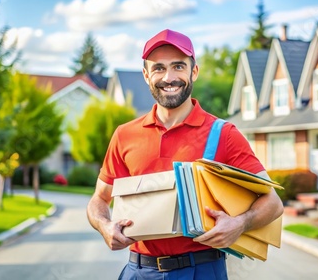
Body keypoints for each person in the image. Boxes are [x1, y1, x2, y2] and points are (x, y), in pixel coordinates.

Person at [87, 29, 284, 280]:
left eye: (178, 66)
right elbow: (99, 199)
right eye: (158, 68)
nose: (169, 77)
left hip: (201, 270)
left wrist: (240, 223)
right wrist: (105, 226)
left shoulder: (224, 134)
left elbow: (273, 203)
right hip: (139, 271)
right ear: (146, 75)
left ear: (194, 72)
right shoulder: (125, 135)